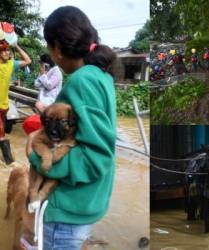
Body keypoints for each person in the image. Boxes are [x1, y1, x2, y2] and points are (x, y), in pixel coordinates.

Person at [26, 6, 116, 249]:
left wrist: (36, 157)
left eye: (48, 46)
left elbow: (96, 157)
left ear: (56, 47)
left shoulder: (82, 81)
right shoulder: (101, 75)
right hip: (86, 202)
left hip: (66, 211)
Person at [0, 39, 31, 164]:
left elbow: (28, 61)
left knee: (2, 132)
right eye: (4, 50)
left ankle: (8, 163)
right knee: (1, 133)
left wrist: (16, 45)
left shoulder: (11, 64)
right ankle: (9, 162)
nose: (7, 52)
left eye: (8, 50)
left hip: (4, 106)